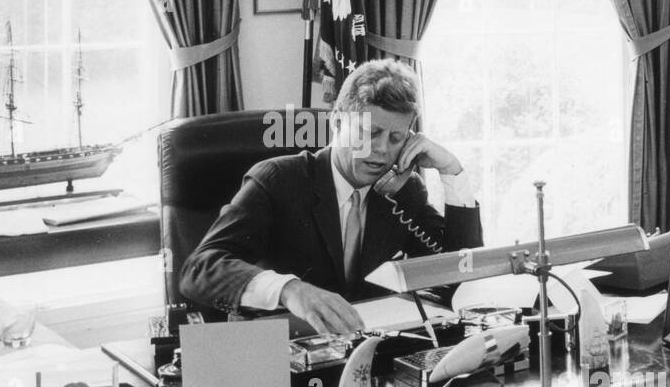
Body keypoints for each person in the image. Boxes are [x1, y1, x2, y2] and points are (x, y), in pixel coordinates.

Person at [179, 60, 482, 336]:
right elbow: (199, 269)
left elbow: (460, 272)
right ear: (337, 122)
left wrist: (451, 173)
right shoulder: (278, 179)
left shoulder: (403, 191)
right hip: (277, 348)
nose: (381, 149)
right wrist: (290, 289)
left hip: (362, 353)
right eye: (369, 132)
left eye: (396, 138)